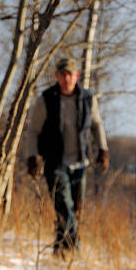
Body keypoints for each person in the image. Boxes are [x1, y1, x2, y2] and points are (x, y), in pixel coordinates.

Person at [26, 56, 109, 257]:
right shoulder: (46, 99)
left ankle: (60, 249)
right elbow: (33, 131)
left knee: (75, 210)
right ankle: (74, 249)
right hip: (55, 162)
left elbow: (97, 125)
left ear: (76, 76)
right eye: (62, 75)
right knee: (65, 206)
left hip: (80, 162)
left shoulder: (87, 98)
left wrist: (103, 150)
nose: (66, 79)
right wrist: (32, 156)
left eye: (70, 75)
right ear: (56, 76)